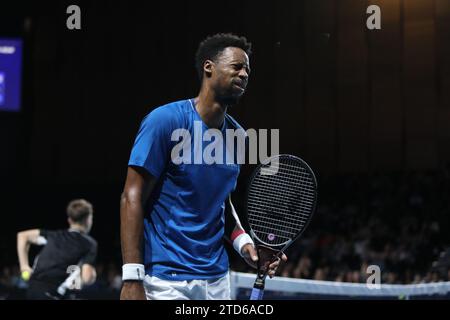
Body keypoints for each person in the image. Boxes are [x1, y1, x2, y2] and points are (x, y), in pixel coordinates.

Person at [120, 33, 287, 300]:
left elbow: (221, 203)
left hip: (217, 281)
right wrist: (131, 277)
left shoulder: (239, 137)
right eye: (236, 66)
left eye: (247, 70)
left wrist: (246, 246)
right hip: (166, 280)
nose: (244, 74)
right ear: (209, 67)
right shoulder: (164, 121)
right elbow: (132, 196)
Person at [17, 199, 97, 299]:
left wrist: (24, 266)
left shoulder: (53, 236)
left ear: (70, 220)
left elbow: (22, 236)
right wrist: (92, 276)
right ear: (88, 219)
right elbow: (87, 277)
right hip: (53, 294)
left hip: (32, 290)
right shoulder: (89, 244)